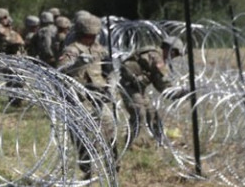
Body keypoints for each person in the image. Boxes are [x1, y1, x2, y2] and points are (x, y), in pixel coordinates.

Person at [58, 14, 118, 178]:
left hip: (99, 96)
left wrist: (111, 84)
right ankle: (88, 170)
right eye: (88, 36)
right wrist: (76, 63)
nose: (91, 39)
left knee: (109, 128)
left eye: (93, 36)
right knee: (83, 135)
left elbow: (109, 69)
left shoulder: (99, 49)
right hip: (80, 97)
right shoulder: (72, 50)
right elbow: (60, 72)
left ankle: (112, 164)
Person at [119, 36, 184, 145]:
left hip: (139, 88)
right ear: (170, 50)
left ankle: (160, 141)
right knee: (139, 113)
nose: (174, 57)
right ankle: (129, 143)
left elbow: (159, 84)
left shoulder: (155, 55)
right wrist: (179, 93)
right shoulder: (156, 58)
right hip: (129, 87)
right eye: (175, 54)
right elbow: (162, 84)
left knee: (152, 113)